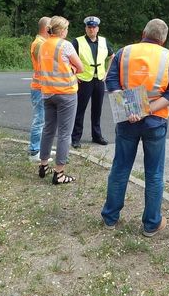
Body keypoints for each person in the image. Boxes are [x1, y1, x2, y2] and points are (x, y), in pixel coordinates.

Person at [101, 18, 169, 237]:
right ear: (163, 39)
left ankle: (110, 217)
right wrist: (147, 110)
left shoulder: (123, 53)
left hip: (127, 120)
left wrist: (131, 109)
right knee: (154, 173)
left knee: (120, 168)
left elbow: (111, 82)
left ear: (143, 32)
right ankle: (151, 224)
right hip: (155, 122)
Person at [38, 16, 84, 185]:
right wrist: (72, 69)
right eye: (66, 29)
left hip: (48, 93)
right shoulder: (66, 45)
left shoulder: (43, 45)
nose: (67, 31)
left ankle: (43, 165)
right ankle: (59, 173)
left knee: (48, 130)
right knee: (64, 133)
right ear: (62, 30)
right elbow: (81, 67)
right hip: (66, 94)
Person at [71, 16, 114, 148]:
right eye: (89, 27)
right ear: (86, 28)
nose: (91, 29)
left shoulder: (103, 41)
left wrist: (107, 72)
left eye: (94, 27)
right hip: (84, 80)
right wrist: (73, 74)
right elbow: (67, 58)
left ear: (98, 29)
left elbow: (112, 56)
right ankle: (76, 138)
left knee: (97, 109)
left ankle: (97, 135)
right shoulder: (77, 42)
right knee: (80, 110)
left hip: (99, 79)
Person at [28, 16, 55, 162]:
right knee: (40, 119)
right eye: (52, 27)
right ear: (46, 28)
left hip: (43, 86)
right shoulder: (39, 44)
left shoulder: (42, 42)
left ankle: (41, 148)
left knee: (44, 120)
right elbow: (44, 64)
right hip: (39, 87)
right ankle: (34, 151)